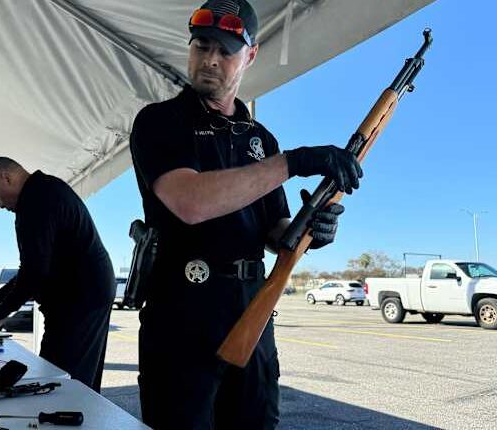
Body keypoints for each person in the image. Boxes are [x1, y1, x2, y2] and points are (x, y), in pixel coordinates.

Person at [129, 0, 363, 428]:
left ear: (250, 56)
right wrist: (293, 162)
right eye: (201, 46)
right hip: (181, 313)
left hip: (251, 309)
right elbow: (190, 202)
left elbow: (275, 230)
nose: (210, 60)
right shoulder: (160, 121)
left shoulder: (261, 139)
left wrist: (311, 227)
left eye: (225, 50)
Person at [0, 157, 116, 392]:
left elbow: (35, 270)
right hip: (86, 292)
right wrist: (1, 296)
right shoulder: (45, 189)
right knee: (73, 374)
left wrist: (1, 310)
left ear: (6, 178)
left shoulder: (36, 200)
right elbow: (36, 264)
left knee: (62, 379)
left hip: (80, 297)